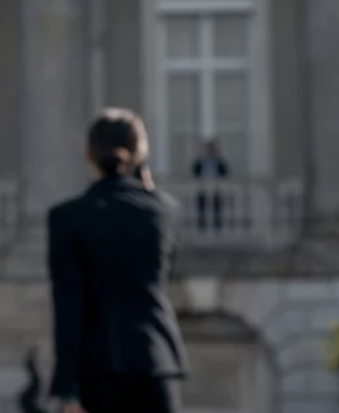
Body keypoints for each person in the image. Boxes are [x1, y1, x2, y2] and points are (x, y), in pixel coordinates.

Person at [47, 109, 189, 413]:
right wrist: (145, 184)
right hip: (156, 363)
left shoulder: (67, 218)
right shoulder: (165, 211)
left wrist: (67, 390)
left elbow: (69, 307)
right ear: (142, 153)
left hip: (97, 371)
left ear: (89, 153)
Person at [190, 137, 231, 235]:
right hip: (202, 190)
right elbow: (194, 174)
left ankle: (217, 229)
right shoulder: (199, 163)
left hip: (217, 190)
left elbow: (225, 174)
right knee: (202, 210)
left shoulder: (220, 162)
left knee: (217, 210)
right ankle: (202, 228)